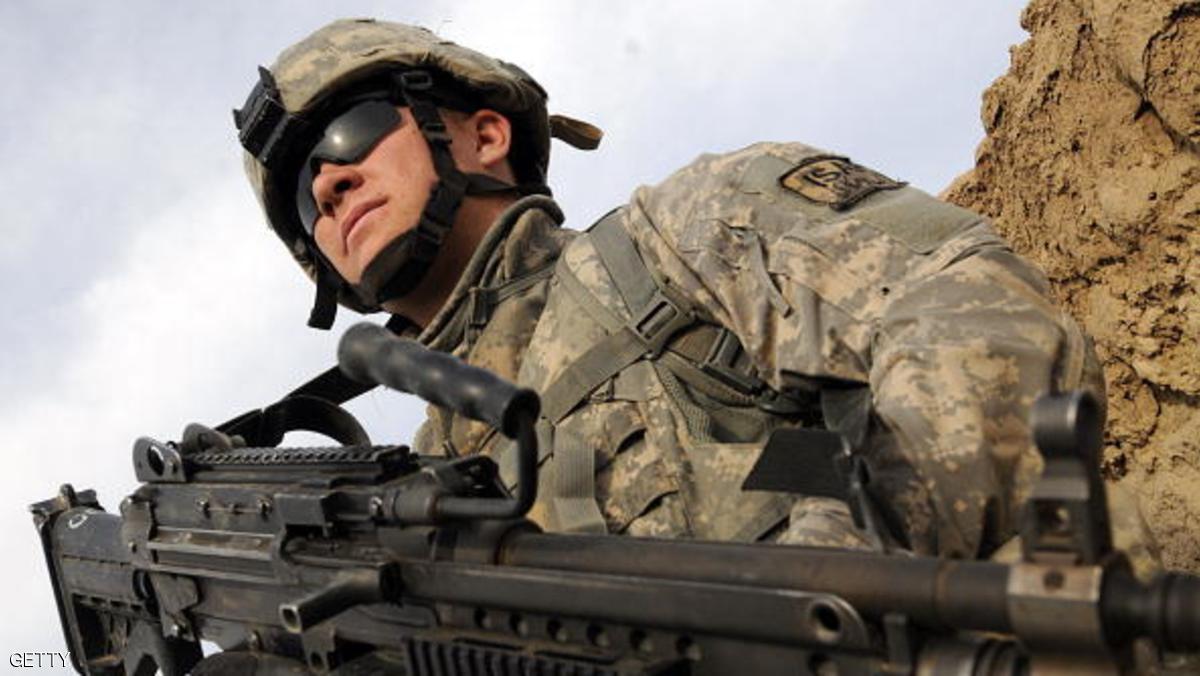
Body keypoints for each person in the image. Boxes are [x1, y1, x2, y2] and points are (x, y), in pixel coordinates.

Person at [234, 18, 1103, 559]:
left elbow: (975, 318)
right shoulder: (415, 494)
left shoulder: (683, 237)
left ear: (484, 133)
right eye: (303, 190)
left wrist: (836, 570)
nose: (326, 185)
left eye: (348, 133)